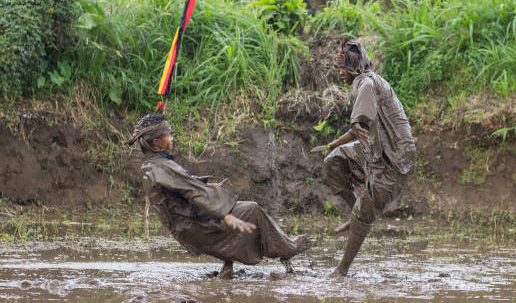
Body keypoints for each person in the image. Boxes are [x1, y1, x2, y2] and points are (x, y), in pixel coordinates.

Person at [126, 114, 310, 279]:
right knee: (252, 210)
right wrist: (226, 214)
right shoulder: (164, 168)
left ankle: (227, 268)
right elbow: (198, 193)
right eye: (168, 135)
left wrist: (199, 182)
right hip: (196, 228)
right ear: (157, 143)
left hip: (184, 229)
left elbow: (178, 192)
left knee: (233, 213)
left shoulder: (150, 167)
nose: (172, 138)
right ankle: (289, 249)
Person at [312, 40, 416, 277]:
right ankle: (353, 211)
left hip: (395, 160)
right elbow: (361, 126)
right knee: (333, 159)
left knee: (363, 214)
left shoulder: (366, 82)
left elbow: (361, 120)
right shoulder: (366, 81)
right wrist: (335, 143)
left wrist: (357, 123)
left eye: (342, 69)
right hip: (375, 149)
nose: (339, 74)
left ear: (353, 68)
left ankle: (341, 270)